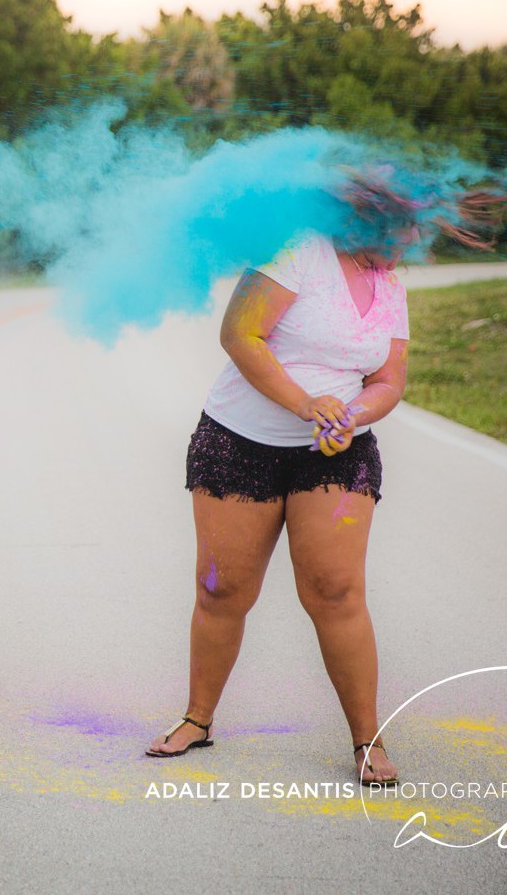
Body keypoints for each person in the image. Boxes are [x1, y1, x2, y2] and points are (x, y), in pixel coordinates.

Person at [143, 218, 411, 787]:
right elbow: (239, 334)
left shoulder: (389, 282)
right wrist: (305, 403)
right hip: (239, 441)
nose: (411, 240)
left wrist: (349, 414)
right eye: (403, 224)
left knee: (336, 590)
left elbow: (388, 379)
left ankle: (367, 740)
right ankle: (198, 718)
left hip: (336, 450)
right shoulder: (294, 248)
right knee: (222, 589)